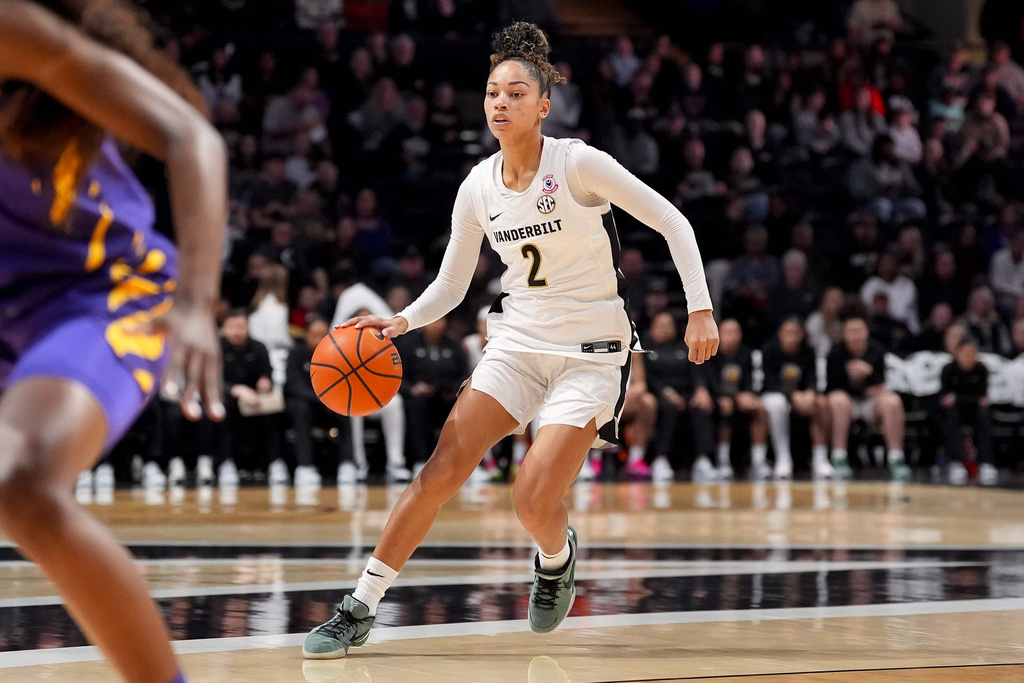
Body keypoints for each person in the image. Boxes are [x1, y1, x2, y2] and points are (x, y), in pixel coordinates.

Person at [303, 22, 718, 658]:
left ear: (543, 105)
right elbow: (451, 284)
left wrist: (700, 308)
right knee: (439, 472)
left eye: (517, 93)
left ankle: (556, 559)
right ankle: (360, 605)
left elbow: (672, 219)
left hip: (592, 356)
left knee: (531, 498)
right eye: (494, 92)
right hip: (516, 345)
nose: (501, 103)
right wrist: (399, 322)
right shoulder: (477, 187)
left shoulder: (578, 162)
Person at [0, 3, 226, 682]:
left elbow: (193, 137)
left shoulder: (12, 29)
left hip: (98, 292)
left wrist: (195, 302)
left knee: (23, 476)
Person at [826, 303, 908, 480]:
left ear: (867, 332)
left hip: (871, 402)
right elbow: (831, 387)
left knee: (893, 401)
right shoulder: (835, 352)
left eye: (859, 330)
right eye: (851, 331)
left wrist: (869, 374)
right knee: (837, 400)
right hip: (847, 403)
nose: (856, 335)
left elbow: (882, 384)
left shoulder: (877, 350)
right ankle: (839, 457)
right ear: (844, 334)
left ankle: (896, 458)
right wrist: (853, 378)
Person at [285, 316, 355, 487]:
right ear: (306, 335)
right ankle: (305, 466)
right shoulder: (296, 354)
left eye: (323, 335)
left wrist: (332, 399)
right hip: (305, 404)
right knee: (302, 409)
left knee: (345, 408)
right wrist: (320, 397)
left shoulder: (336, 355)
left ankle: (347, 464)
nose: (318, 339)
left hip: (328, 405)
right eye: (315, 334)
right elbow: (293, 386)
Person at [760, 319, 833, 480]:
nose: (791, 337)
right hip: (776, 395)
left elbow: (812, 378)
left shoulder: (808, 351)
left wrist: (811, 393)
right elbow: (769, 382)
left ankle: (820, 459)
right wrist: (792, 396)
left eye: (795, 333)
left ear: (801, 335)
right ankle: (783, 458)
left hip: (802, 397)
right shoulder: (769, 350)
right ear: (780, 334)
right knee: (777, 403)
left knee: (821, 403)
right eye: (787, 333)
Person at [703, 319, 768, 479]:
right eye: (727, 332)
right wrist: (731, 397)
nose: (731, 336)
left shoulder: (747, 354)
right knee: (726, 406)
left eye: (735, 332)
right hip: (717, 399)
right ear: (718, 334)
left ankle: (759, 461)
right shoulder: (710, 352)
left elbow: (753, 380)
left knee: (759, 407)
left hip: (740, 397)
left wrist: (749, 395)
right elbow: (711, 382)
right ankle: (723, 461)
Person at [937, 338, 999, 486]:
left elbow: (982, 397)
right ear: (957, 353)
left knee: (983, 415)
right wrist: (968, 399)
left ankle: (986, 463)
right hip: (955, 413)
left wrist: (958, 398)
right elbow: (944, 398)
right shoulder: (949, 369)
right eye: (965, 353)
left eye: (972, 353)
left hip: (974, 412)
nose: (968, 356)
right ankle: (956, 462)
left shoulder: (981, 370)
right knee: (951, 415)